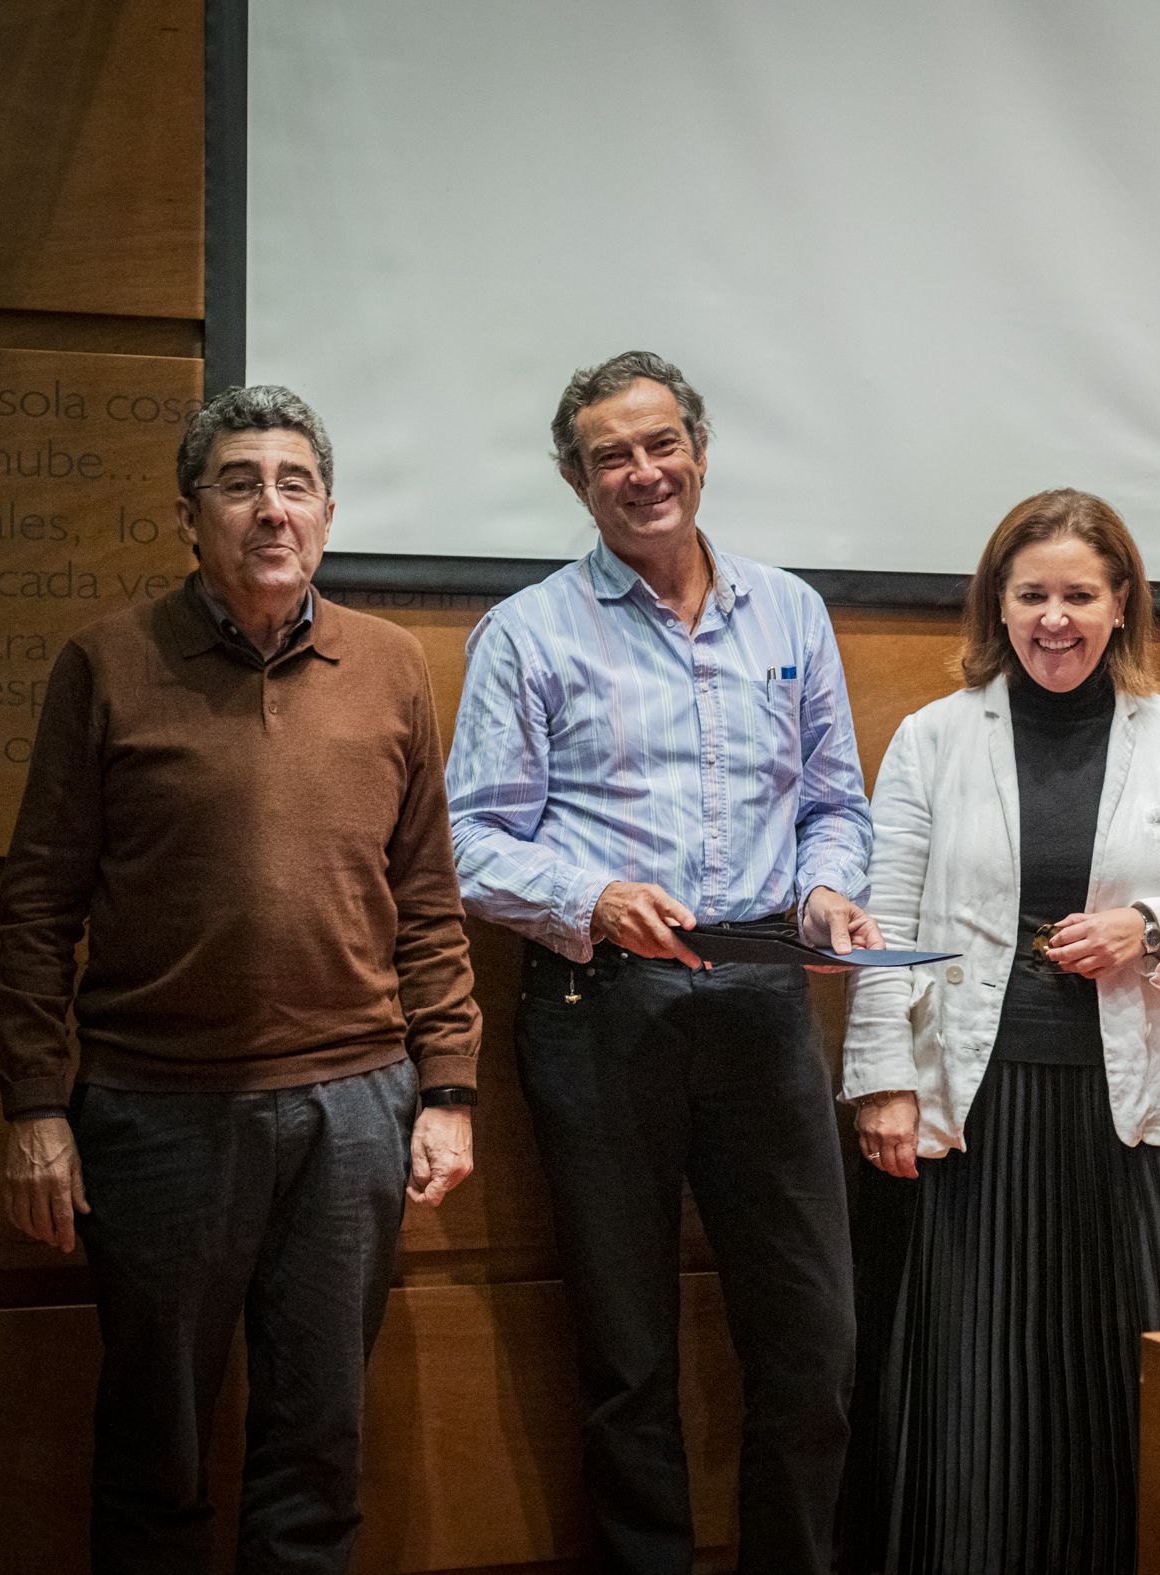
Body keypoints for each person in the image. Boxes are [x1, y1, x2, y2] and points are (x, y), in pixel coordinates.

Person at [0, 385, 481, 1574]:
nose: (272, 509)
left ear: (328, 514)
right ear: (188, 515)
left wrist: (449, 1089)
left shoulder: (391, 666)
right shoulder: (106, 663)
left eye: (295, 484)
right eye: (240, 484)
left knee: (318, 1445)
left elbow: (427, 896)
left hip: (355, 1110)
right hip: (156, 1115)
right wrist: (36, 1107)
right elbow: (38, 906)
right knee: (153, 1448)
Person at [445, 350, 879, 1575]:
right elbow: (471, 841)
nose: (642, 473)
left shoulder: (788, 612)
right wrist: (590, 895)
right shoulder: (527, 632)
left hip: (763, 1003)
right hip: (599, 1007)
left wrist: (827, 886)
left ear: (698, 449)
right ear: (576, 482)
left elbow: (834, 805)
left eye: (660, 444)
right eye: (611, 458)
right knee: (626, 1359)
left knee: (812, 1346)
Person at [842, 488, 1160, 1574]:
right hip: (977, 1104)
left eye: (1079, 595)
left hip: (1133, 1110)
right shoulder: (932, 738)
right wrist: (882, 1080)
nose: (1054, 619)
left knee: (1130, 1372)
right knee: (978, 1385)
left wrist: (1145, 927)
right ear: (998, 604)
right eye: (1031, 595)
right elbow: (882, 922)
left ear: (1121, 605)